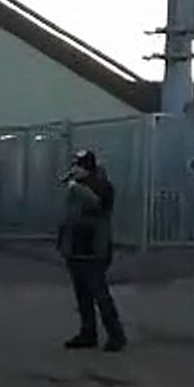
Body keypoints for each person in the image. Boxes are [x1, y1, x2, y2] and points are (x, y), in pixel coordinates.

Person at [57, 150, 127, 352]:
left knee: (100, 294)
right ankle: (88, 332)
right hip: (76, 249)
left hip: (94, 249)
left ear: (87, 168)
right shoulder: (77, 188)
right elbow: (70, 216)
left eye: (78, 166)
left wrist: (77, 188)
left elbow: (97, 204)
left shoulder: (102, 186)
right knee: (82, 296)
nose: (74, 169)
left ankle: (116, 335)